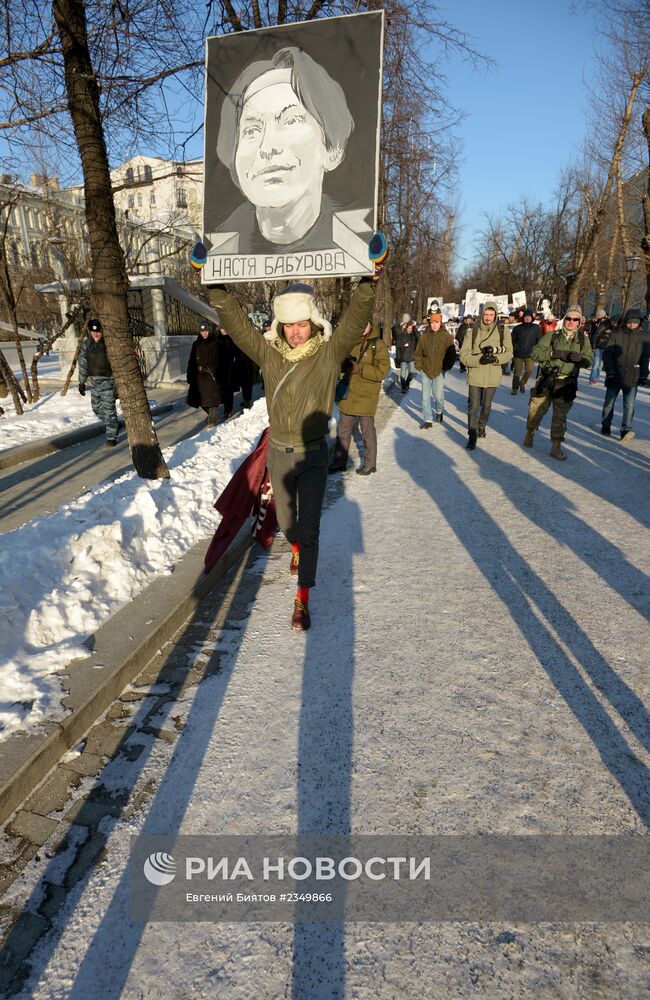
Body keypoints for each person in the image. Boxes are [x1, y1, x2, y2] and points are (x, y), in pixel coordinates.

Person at [207, 273, 377, 630]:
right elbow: (239, 328)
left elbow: (354, 321)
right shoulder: (269, 357)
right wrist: (216, 291)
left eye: (301, 324)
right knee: (287, 523)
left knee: (310, 528)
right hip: (280, 456)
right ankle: (296, 548)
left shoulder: (329, 355)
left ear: (312, 323)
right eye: (289, 326)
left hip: (314, 455)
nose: (295, 332)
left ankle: (302, 599)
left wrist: (367, 284)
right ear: (280, 327)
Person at [215, 47, 355, 252]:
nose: (267, 147)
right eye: (251, 130)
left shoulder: (352, 242)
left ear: (332, 149)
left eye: (291, 121)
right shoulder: (220, 248)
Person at [523, 306, 593, 459]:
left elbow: (589, 361)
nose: (571, 322)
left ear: (579, 323)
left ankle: (556, 446)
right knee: (535, 411)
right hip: (547, 379)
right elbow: (535, 353)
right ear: (564, 320)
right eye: (568, 318)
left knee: (559, 417)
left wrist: (580, 359)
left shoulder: (583, 340)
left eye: (575, 319)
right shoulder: (552, 336)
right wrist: (552, 354)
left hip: (566, 383)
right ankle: (530, 432)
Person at [329, 321, 389, 475]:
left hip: (367, 394)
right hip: (349, 392)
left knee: (367, 430)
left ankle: (370, 463)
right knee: (343, 429)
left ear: (370, 324)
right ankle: (339, 461)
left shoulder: (378, 345)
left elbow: (382, 372)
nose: (362, 326)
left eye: (365, 323)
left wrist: (360, 368)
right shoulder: (350, 342)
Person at [459, 302, 513, 450]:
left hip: (493, 375)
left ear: (495, 315)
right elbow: (463, 355)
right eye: (486, 314)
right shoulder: (472, 331)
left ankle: (482, 425)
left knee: (487, 406)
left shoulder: (503, 331)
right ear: (481, 314)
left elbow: (509, 353)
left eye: (491, 314)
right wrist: (478, 360)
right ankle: (472, 434)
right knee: (473, 406)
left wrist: (496, 359)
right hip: (476, 374)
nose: (488, 317)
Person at [601, 308, 650, 442]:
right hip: (615, 374)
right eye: (629, 322)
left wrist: (643, 375)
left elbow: (645, 358)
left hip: (632, 376)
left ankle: (625, 429)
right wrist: (609, 370)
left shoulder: (644, 338)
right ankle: (606, 424)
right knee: (609, 403)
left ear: (639, 323)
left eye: (635, 323)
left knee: (629, 405)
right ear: (625, 322)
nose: (632, 325)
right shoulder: (616, 335)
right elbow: (607, 354)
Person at [78, 318, 119, 447]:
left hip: (108, 381)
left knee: (109, 410)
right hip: (94, 382)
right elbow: (83, 364)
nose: (95, 334)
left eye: (98, 331)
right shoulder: (86, 346)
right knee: (96, 409)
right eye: (93, 331)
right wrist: (81, 382)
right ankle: (113, 424)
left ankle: (112, 436)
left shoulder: (108, 345)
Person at [413, 309, 455, 427]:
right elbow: (418, 353)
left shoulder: (446, 336)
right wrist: (419, 366)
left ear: (440, 322)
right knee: (425, 397)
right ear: (429, 323)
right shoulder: (424, 337)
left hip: (439, 371)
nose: (434, 324)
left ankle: (439, 410)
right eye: (432, 322)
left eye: (436, 322)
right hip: (426, 370)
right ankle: (427, 419)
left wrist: (445, 367)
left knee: (438, 396)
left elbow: (451, 354)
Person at [186, 321, 222, 427]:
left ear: (210, 331)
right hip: (199, 377)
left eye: (206, 331)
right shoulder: (196, 344)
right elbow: (191, 360)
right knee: (200, 400)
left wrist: (215, 371)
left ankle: (213, 420)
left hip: (211, 375)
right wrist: (190, 374)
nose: (204, 333)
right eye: (202, 331)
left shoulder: (216, 343)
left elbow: (220, 360)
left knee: (212, 400)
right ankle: (212, 415)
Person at [217, 327, 256, 417]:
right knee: (228, 389)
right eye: (222, 328)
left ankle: (247, 401)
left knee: (245, 383)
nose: (224, 330)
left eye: (225, 327)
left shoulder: (235, 337)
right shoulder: (218, 339)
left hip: (239, 364)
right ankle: (228, 409)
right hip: (226, 369)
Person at [510, 307, 542, 395]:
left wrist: (538, 350)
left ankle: (522, 382)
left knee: (530, 370)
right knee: (517, 372)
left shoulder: (536, 328)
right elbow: (512, 340)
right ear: (523, 318)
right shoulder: (517, 328)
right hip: (518, 354)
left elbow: (539, 340)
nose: (527, 318)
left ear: (532, 318)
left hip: (530, 354)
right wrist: (515, 348)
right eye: (526, 317)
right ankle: (514, 388)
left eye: (529, 317)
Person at [588, 307, 612, 384]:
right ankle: (592, 379)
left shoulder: (605, 324)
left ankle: (596, 379)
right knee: (596, 364)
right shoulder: (600, 324)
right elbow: (595, 335)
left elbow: (597, 335)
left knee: (599, 365)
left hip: (603, 346)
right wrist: (594, 346)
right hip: (598, 347)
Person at [394, 318, 419, 393]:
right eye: (409, 328)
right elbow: (397, 347)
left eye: (411, 328)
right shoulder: (401, 336)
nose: (410, 329)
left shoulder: (414, 337)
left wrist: (414, 328)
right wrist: (398, 357)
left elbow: (419, 337)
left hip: (411, 358)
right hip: (403, 358)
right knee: (402, 375)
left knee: (411, 373)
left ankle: (407, 382)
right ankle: (403, 387)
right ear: (406, 328)